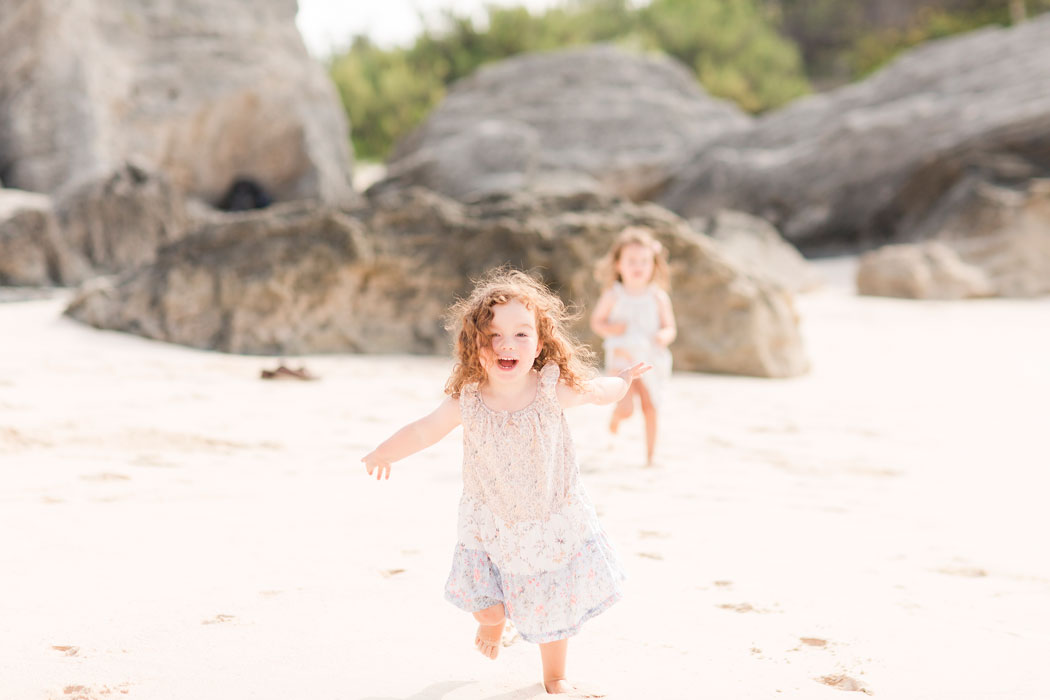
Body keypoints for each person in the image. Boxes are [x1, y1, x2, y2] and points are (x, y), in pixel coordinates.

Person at [361, 268, 650, 697]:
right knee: (487, 603)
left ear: (539, 343)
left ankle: (555, 676)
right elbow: (425, 430)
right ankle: (494, 625)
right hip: (490, 518)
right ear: (475, 345)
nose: (507, 345)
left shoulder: (551, 390)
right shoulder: (469, 399)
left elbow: (595, 391)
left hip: (549, 516)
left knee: (552, 601)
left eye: (520, 334)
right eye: (493, 336)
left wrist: (622, 382)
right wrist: (386, 450)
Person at [589, 227, 677, 466]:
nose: (638, 266)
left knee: (651, 406)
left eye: (644, 261)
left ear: (653, 265)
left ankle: (650, 457)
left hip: (650, 359)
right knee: (626, 407)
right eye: (631, 261)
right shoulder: (614, 295)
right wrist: (611, 328)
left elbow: (670, 327)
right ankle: (616, 421)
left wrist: (663, 335)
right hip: (622, 357)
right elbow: (597, 322)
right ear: (618, 264)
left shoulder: (658, 296)